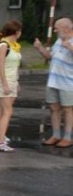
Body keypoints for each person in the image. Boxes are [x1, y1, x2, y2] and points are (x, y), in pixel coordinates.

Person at [33, 17, 73, 148]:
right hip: (53, 81)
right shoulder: (58, 41)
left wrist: (70, 47)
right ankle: (56, 135)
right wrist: (40, 49)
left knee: (68, 109)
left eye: (57, 28)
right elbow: (50, 57)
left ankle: (67, 137)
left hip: (68, 83)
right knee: (54, 108)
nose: (55, 30)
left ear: (67, 29)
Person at [0, 20, 23, 152]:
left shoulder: (14, 46)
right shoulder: (4, 45)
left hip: (12, 80)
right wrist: (5, 84)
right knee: (7, 111)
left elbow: (14, 66)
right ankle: (0, 141)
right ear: (16, 32)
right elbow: (1, 66)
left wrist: (17, 82)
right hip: (3, 81)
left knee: (2, 110)